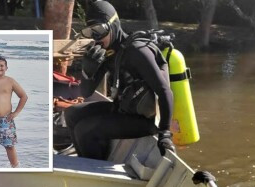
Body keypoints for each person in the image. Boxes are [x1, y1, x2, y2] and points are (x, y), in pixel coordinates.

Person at [64, 0, 175, 159]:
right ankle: (87, 160)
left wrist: (165, 133)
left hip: (146, 119)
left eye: (100, 30)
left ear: (114, 24)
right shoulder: (106, 52)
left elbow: (165, 91)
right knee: (71, 114)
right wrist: (87, 70)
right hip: (123, 109)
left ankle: (95, 172)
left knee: (84, 130)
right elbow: (86, 92)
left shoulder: (137, 51)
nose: (96, 37)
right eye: (90, 32)